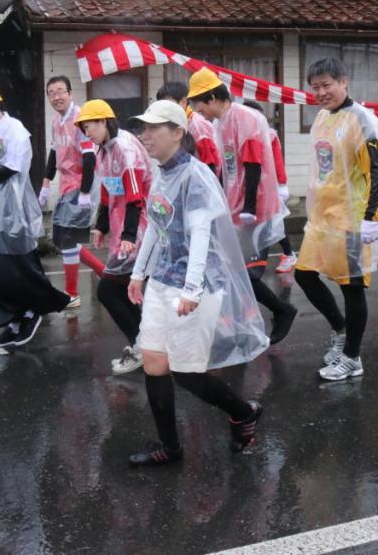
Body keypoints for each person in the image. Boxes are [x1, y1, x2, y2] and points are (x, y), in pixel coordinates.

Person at [126, 100, 269, 468]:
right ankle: (170, 448)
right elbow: (155, 230)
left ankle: (242, 412)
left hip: (199, 284)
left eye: (154, 128)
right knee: (154, 362)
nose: (145, 135)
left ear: (178, 132)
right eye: (143, 128)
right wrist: (138, 273)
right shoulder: (161, 172)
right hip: (162, 279)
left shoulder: (196, 177)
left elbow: (202, 235)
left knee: (187, 374)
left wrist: (191, 290)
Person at [295, 58, 378, 381]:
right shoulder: (323, 117)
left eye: (327, 85)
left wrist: (371, 220)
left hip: (352, 220)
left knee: (352, 288)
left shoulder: (363, 121)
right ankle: (341, 331)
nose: (321, 92)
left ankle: (352, 357)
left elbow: (377, 172)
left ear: (344, 82)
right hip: (323, 219)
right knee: (304, 275)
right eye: (315, 87)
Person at [187, 69, 298, 345]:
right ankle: (245, 319)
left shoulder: (246, 118)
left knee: (244, 271)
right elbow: (227, 167)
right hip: (237, 206)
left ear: (212, 97)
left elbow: (252, 163)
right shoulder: (220, 124)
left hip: (257, 207)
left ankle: (278, 311)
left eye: (199, 104)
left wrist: (249, 206)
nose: (198, 111)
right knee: (231, 269)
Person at [0, 79, 71, 349]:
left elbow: (13, 166)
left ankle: (32, 312)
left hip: (15, 207)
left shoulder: (15, 130)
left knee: (17, 267)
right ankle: (13, 321)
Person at [76, 99, 153, 376]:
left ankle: (142, 346)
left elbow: (136, 198)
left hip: (140, 228)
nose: (88, 132)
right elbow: (109, 192)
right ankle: (146, 344)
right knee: (124, 291)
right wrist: (101, 226)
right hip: (124, 229)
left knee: (109, 290)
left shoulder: (124, 148)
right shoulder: (104, 151)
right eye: (84, 127)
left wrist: (130, 236)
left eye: (91, 126)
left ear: (105, 122)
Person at [39, 75, 103, 309]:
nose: (56, 97)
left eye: (60, 91)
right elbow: (54, 153)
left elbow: (89, 158)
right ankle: (104, 273)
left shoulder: (79, 119)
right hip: (66, 184)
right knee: (65, 239)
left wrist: (85, 193)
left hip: (80, 183)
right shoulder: (56, 120)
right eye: (51, 93)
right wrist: (46, 184)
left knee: (67, 239)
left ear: (70, 93)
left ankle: (72, 293)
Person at [243, 100, 297, 274]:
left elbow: (277, 162)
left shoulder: (269, 135)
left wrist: (282, 185)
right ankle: (287, 254)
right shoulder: (244, 134)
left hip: (270, 188)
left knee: (272, 223)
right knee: (274, 223)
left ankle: (285, 255)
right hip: (256, 188)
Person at [156, 81, 221, 175]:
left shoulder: (197, 125)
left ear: (183, 102)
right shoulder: (175, 123)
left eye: (170, 105)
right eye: (163, 106)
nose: (166, 109)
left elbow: (210, 163)